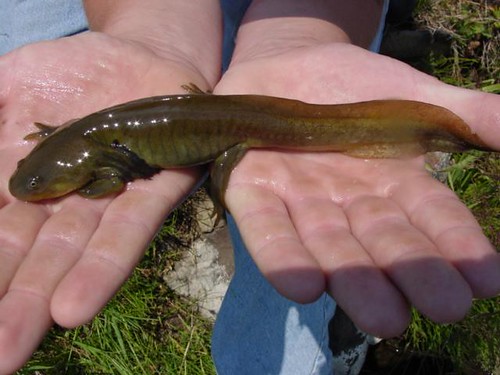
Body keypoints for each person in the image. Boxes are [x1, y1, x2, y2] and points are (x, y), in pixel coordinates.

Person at [0, 1, 499, 374]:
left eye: (42, 182)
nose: (36, 188)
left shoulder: (92, 157)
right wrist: (151, 29)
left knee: (279, 299)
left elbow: (108, 177)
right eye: (37, 176)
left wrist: (301, 30)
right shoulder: (77, 141)